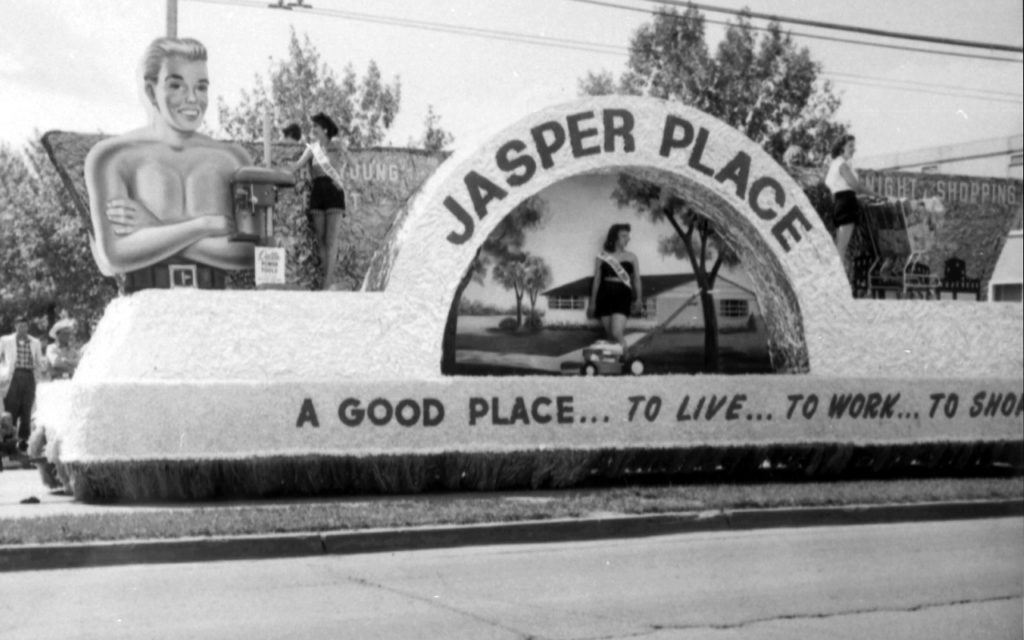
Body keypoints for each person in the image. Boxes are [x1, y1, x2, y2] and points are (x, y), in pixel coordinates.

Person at [84, 37, 255, 293]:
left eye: (201, 87)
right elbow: (116, 255)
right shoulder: (111, 157)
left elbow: (251, 253)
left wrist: (154, 229)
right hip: (144, 308)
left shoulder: (233, 159)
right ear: (151, 91)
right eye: (176, 86)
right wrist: (203, 226)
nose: (192, 99)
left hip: (215, 309)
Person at [289, 112, 350, 289]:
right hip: (317, 192)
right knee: (321, 240)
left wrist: (342, 174)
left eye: (315, 126)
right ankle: (328, 280)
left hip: (334, 191)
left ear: (324, 128)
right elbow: (297, 165)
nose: (313, 129)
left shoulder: (337, 146)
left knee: (331, 240)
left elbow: (349, 161)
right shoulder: (312, 148)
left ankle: (327, 284)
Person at [588, 224, 643, 357]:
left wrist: (639, 299)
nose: (628, 239)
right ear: (614, 237)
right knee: (610, 337)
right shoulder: (602, 256)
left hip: (622, 295)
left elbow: (636, 279)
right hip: (604, 294)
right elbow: (597, 280)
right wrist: (593, 303)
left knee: (616, 333)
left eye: (628, 236)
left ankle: (628, 361)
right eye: (624, 236)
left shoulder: (632, 257)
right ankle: (615, 366)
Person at [825, 134, 876, 277]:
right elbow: (856, 186)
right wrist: (875, 195)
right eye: (850, 146)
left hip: (839, 203)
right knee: (841, 248)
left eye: (854, 146)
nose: (854, 149)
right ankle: (837, 281)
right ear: (842, 148)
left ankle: (835, 279)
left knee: (839, 246)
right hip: (846, 204)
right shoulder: (842, 164)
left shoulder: (835, 164)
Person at [1, 317, 47, 454]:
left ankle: (24, 442)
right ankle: (9, 441)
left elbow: (39, 361)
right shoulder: (6, 340)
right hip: (13, 376)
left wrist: (41, 370)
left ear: (28, 327)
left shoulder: (35, 342)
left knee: (27, 409)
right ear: (15, 326)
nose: (22, 329)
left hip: (29, 376)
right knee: (11, 408)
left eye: (25, 326)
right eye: (20, 326)